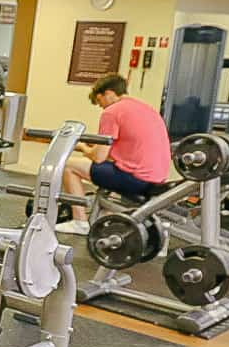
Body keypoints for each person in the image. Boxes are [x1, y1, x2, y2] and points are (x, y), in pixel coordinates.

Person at [58, 74, 172, 232]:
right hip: (157, 178)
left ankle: (79, 222)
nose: (102, 107)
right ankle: (103, 213)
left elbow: (98, 158)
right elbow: (127, 146)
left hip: (136, 180)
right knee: (105, 166)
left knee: (68, 165)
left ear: (108, 93)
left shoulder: (112, 112)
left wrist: (84, 148)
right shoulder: (145, 108)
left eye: (100, 101)